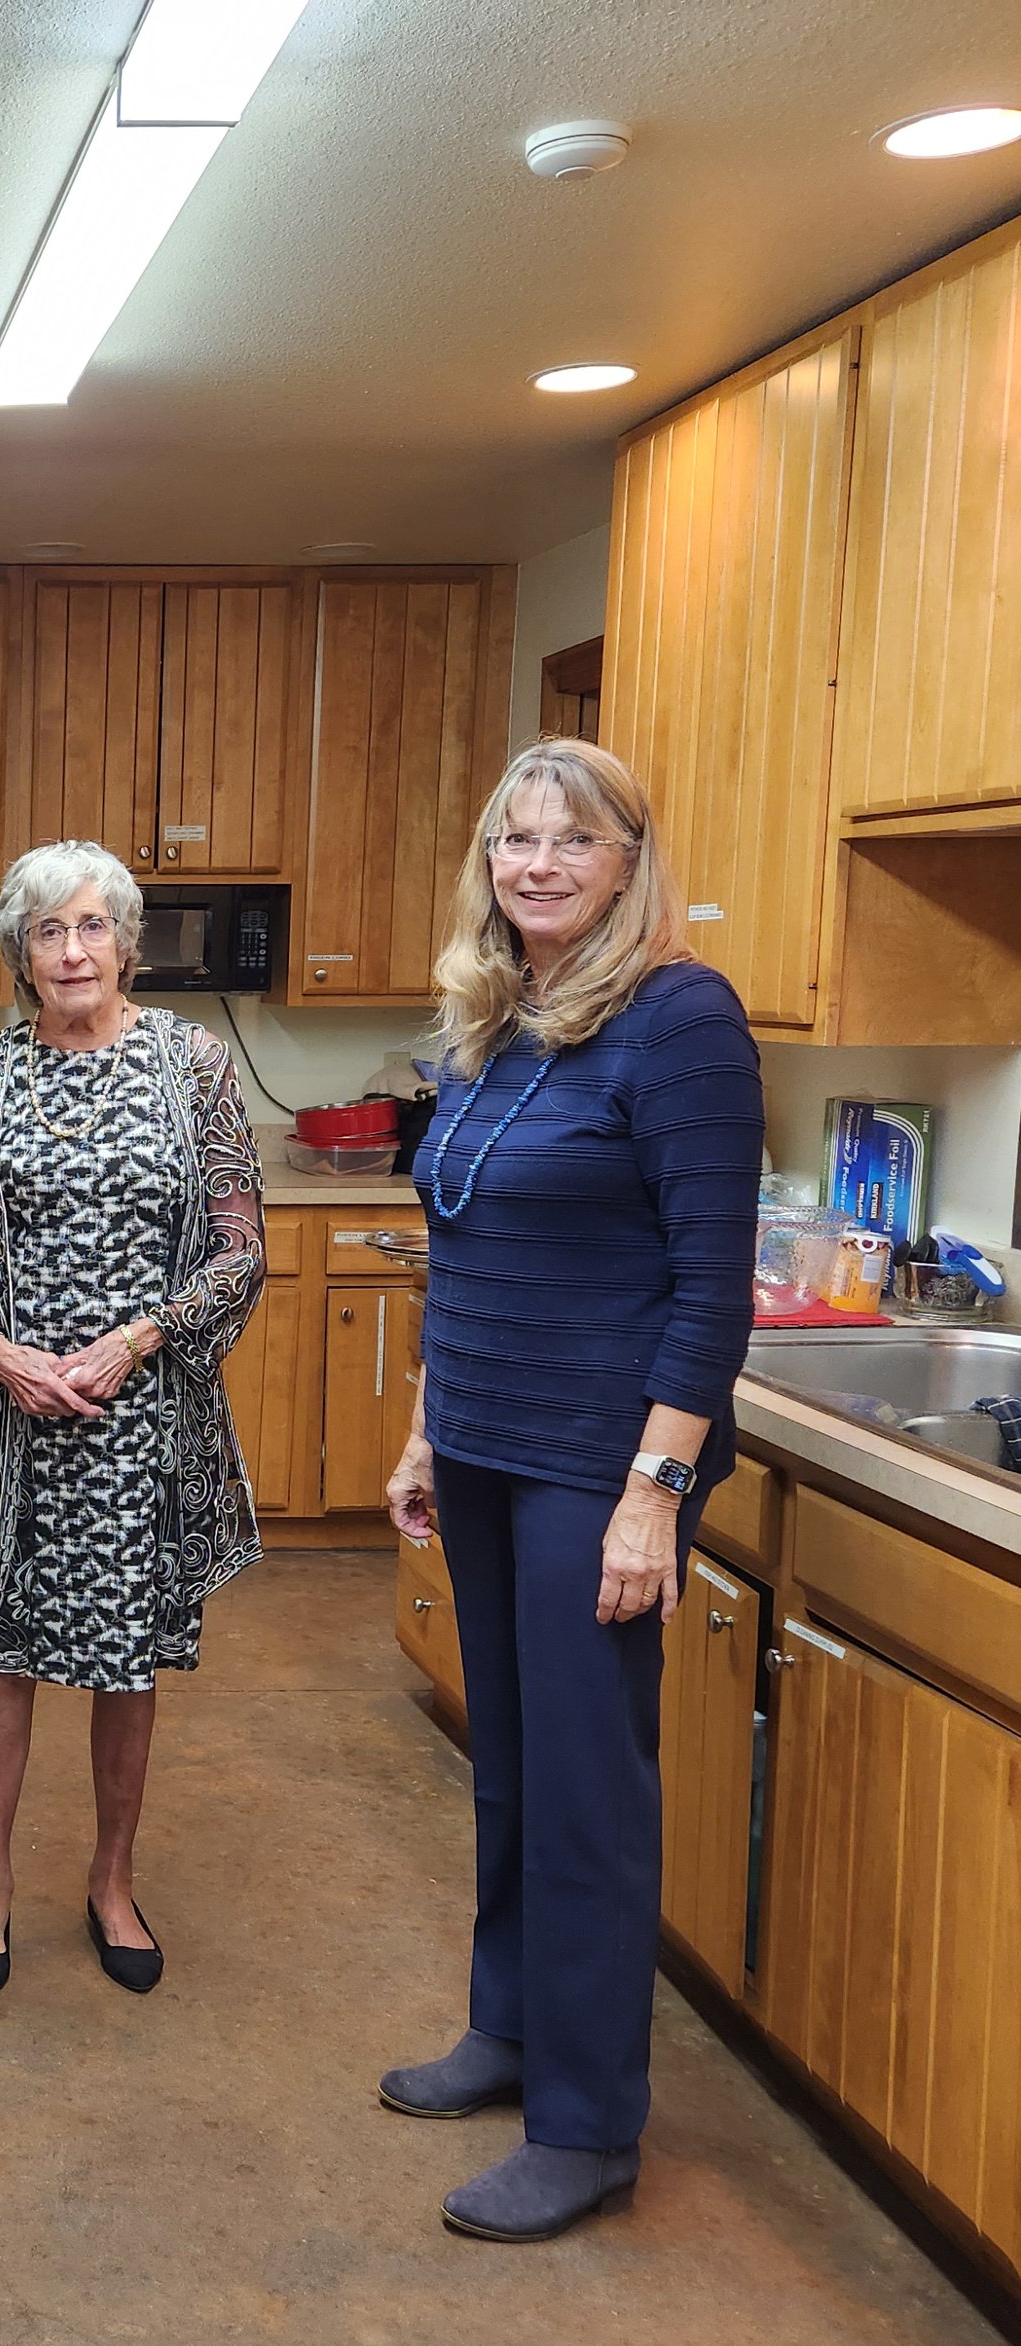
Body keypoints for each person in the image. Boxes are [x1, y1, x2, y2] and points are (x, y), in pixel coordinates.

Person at [380, 737, 762, 2242]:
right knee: (508, 1765)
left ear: (627, 862)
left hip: (595, 1466)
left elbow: (710, 1288)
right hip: (482, 1446)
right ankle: (513, 2027)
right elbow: (464, 1251)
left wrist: (654, 1493)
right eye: (514, 840)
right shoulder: (497, 1017)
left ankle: (591, 2123)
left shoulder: (678, 1022)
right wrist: (424, 1429)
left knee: (589, 1793)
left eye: (571, 841)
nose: (535, 864)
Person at [0, 839, 263, 1999]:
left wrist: (138, 1339)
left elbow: (238, 1246)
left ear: (125, 942)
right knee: (8, 1651)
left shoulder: (195, 1065)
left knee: (126, 1662)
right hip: (23, 1421)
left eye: (91, 927)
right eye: (46, 931)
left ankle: (112, 1879)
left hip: (144, 1417)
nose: (71, 950)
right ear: (20, 953)